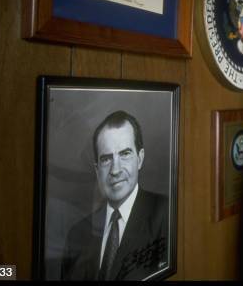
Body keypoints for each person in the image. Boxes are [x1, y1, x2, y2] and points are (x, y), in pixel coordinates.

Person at [61, 111, 168, 280]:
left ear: (140, 159)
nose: (115, 170)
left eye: (125, 154)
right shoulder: (77, 234)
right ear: (97, 171)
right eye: (106, 159)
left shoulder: (166, 215)